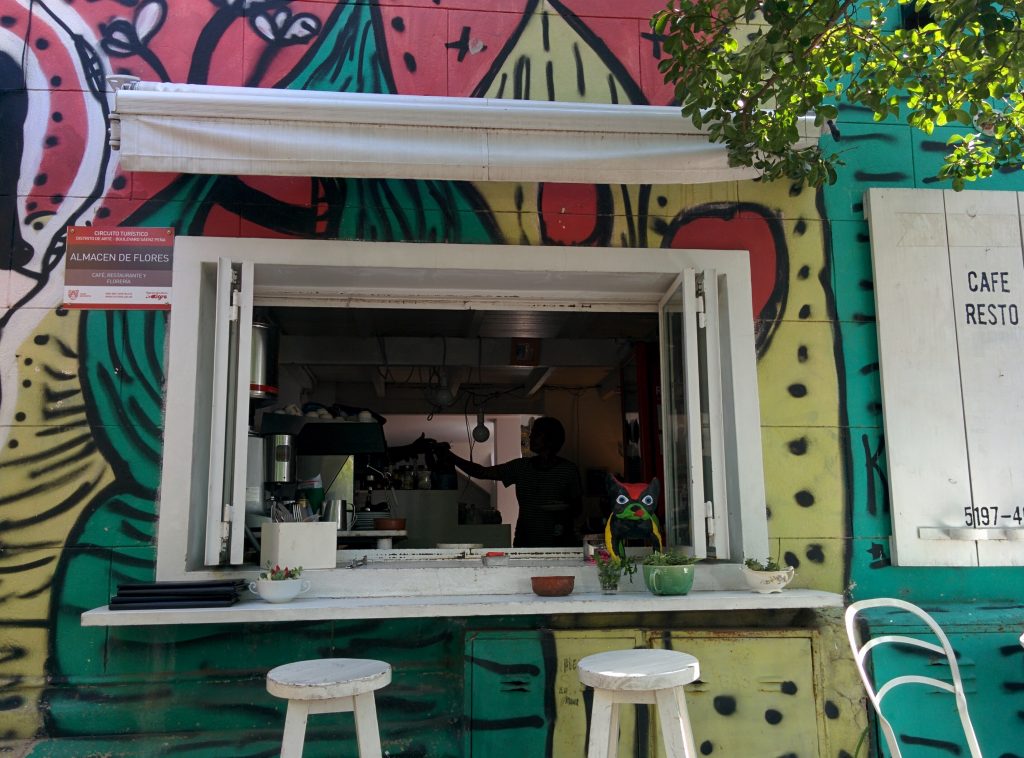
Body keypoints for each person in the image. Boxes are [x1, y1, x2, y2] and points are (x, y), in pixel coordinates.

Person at [439, 417, 582, 548]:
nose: (531, 436)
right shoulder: (521, 467)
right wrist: (452, 458)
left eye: (536, 433)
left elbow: (578, 508)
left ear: (551, 439)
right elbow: (481, 472)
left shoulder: (568, 470)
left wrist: (562, 511)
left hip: (560, 542)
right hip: (526, 541)